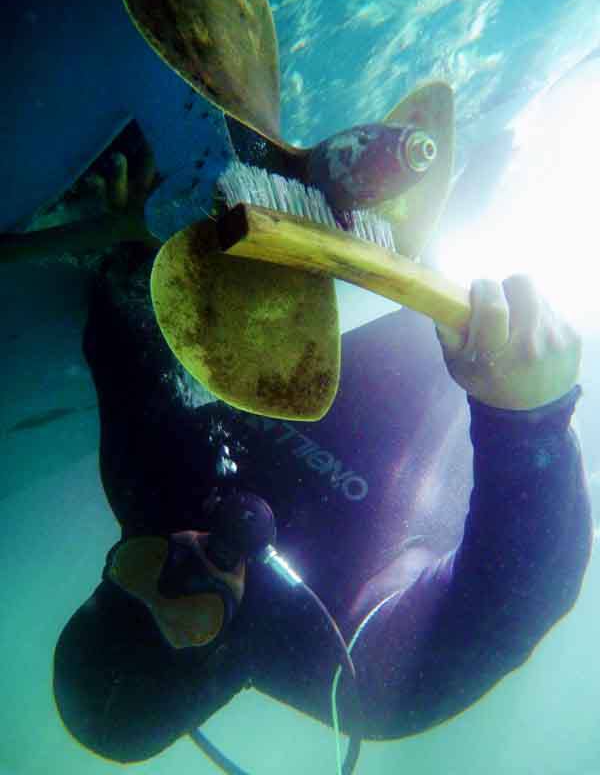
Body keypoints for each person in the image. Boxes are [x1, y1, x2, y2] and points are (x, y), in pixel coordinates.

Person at [32, 133, 591, 771]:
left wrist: (129, 243)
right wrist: (532, 423)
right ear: (214, 672)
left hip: (341, 270)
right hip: (483, 354)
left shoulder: (143, 490)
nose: (183, 552)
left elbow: (123, 347)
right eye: (188, 614)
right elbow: (519, 597)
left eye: (135, 571)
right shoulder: (354, 675)